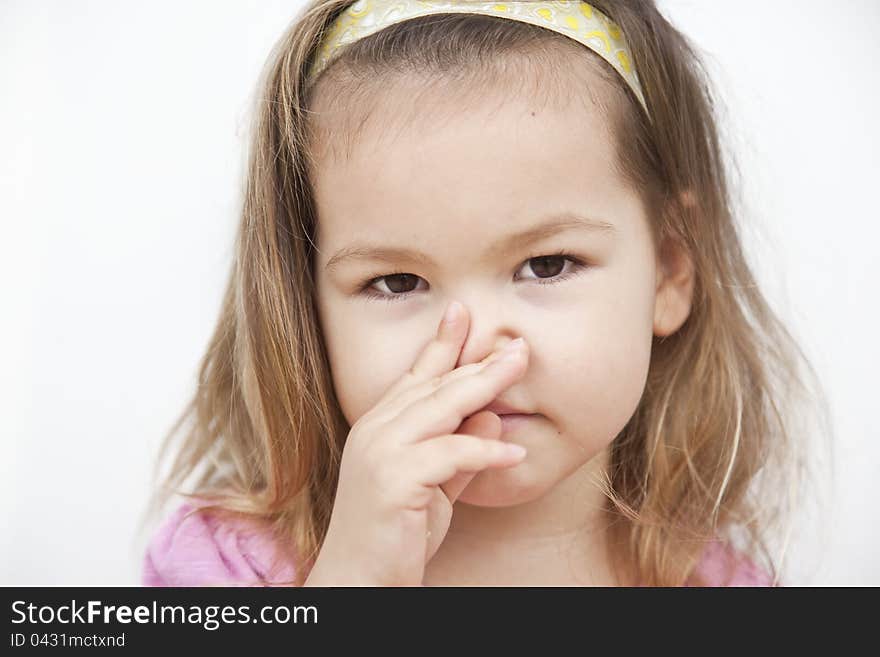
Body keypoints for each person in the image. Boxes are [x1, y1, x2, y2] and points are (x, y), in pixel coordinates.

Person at [139, 0, 828, 587]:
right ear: (304, 303)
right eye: (397, 281)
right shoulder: (226, 566)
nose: (472, 345)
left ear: (671, 268)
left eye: (549, 264)